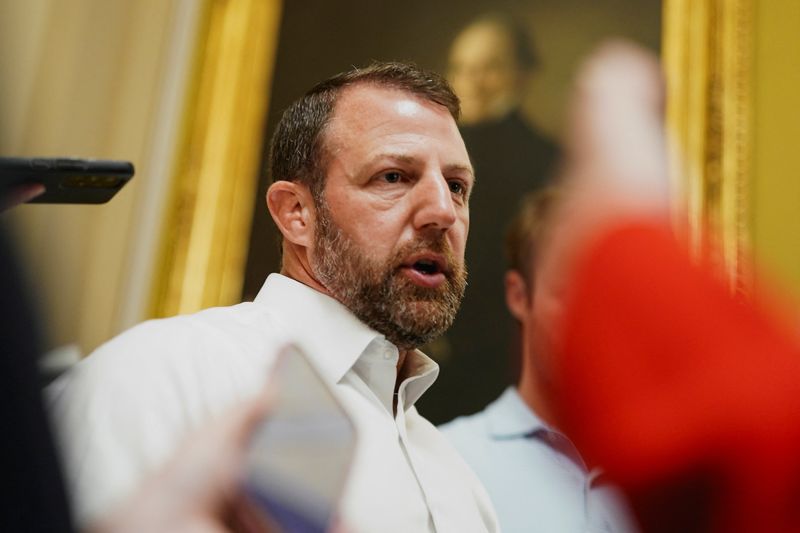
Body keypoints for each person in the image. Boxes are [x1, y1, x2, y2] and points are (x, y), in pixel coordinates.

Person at [48, 61, 498, 532]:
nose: (443, 212)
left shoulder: (458, 484)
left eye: (456, 186)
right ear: (296, 212)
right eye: (393, 177)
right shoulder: (161, 374)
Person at [439, 189, 638, 533]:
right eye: (569, 295)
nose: (591, 321)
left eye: (610, 296)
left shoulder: (667, 471)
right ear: (519, 295)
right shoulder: (447, 463)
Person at [419, 13, 559, 423]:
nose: (473, 81)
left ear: (524, 74)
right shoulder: (429, 150)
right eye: (462, 68)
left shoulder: (547, 160)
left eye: (490, 68)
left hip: (497, 350)